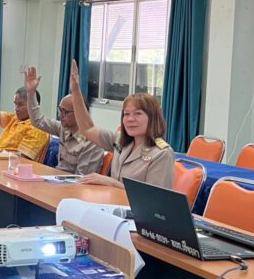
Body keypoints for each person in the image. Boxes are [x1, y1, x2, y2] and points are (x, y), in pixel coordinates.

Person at [68, 59, 175, 189]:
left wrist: (112, 183)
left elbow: (153, 196)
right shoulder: (120, 140)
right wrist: (75, 90)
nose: (130, 119)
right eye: (126, 114)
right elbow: (87, 128)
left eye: (138, 113)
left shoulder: (161, 154)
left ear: (153, 118)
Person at [23, 66, 104, 175]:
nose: (61, 115)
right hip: (57, 178)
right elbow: (38, 121)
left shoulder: (92, 142)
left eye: (65, 112)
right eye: (60, 110)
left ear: (80, 114)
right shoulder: (64, 128)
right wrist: (31, 93)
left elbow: (81, 179)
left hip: (72, 184)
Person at [0, 63, 51, 161]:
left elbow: (22, 158)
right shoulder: (14, 118)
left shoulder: (37, 128)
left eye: (20, 104)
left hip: (12, 165)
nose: (16, 108)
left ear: (33, 105)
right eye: (15, 104)